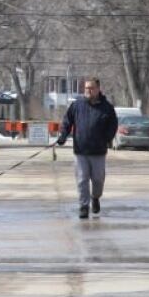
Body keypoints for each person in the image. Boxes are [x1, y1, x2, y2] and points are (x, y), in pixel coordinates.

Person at [55, 77, 118, 219]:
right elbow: (67, 122)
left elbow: (113, 125)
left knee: (98, 180)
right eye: (86, 88)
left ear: (98, 89)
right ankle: (84, 206)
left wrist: (107, 139)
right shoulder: (77, 105)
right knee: (82, 179)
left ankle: (95, 198)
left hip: (98, 151)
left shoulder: (107, 107)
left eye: (92, 88)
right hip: (81, 150)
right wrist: (63, 136)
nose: (89, 90)